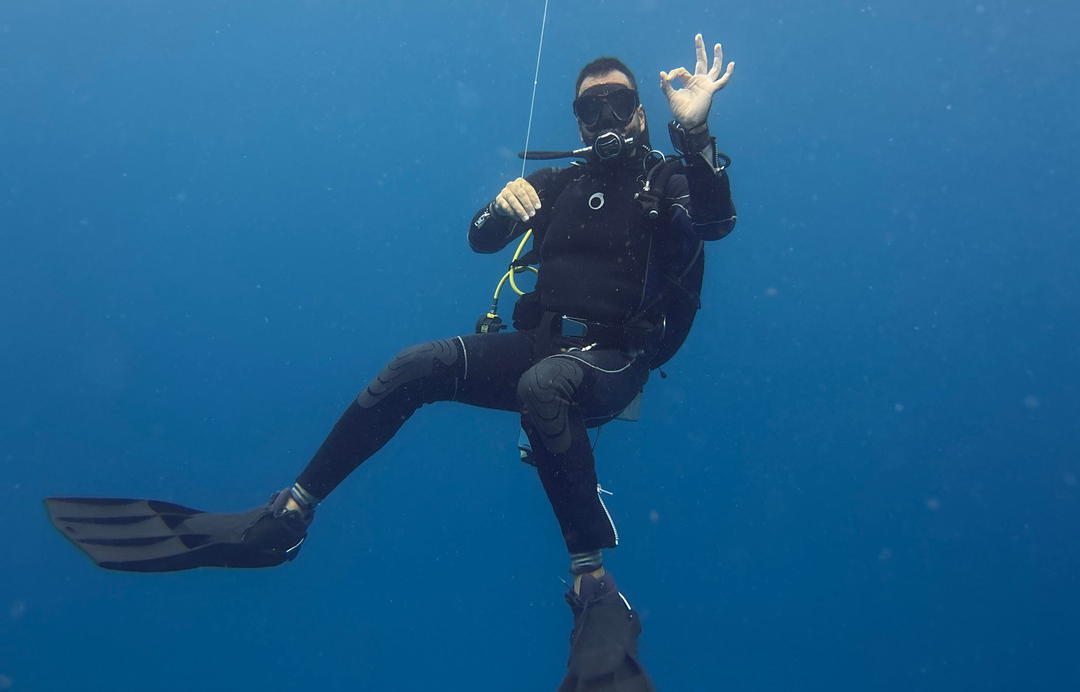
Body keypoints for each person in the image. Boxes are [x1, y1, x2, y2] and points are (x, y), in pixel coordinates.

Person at [46, 34, 737, 691]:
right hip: (541, 342)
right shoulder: (556, 184)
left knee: (544, 386)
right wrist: (500, 209)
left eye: (618, 102)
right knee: (417, 364)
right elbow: (480, 239)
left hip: (613, 356)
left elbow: (715, 223)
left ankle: (593, 583)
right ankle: (287, 516)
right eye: (590, 107)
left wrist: (696, 133)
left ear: (640, 113)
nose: (604, 117)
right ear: (578, 120)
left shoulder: (669, 178)